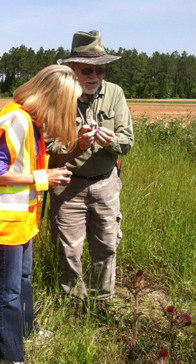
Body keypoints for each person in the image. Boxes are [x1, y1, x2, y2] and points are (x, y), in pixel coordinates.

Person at [0, 65, 81, 364]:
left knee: (24, 279)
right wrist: (43, 178)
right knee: (9, 291)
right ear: (52, 97)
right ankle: (12, 357)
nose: (67, 112)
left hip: (22, 218)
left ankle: (29, 330)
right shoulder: (16, 119)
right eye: (67, 104)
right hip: (5, 220)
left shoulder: (33, 122)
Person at [47, 31, 134, 308]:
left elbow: (127, 141)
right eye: (87, 69)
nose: (94, 75)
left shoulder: (115, 94)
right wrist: (76, 145)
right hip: (67, 185)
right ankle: (73, 307)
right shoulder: (58, 96)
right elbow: (48, 149)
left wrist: (112, 142)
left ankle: (101, 305)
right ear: (72, 69)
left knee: (106, 247)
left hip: (106, 184)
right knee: (68, 250)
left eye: (100, 69)